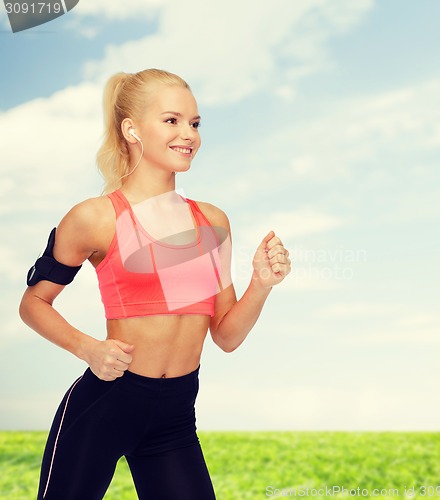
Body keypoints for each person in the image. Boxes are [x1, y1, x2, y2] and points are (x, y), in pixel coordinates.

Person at [19, 68, 291, 500]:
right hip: (105, 407)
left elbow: (226, 335)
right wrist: (89, 348)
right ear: (131, 129)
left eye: (195, 123)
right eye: (172, 120)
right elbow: (33, 303)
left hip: (175, 418)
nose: (189, 134)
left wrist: (262, 284)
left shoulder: (212, 222)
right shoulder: (95, 218)